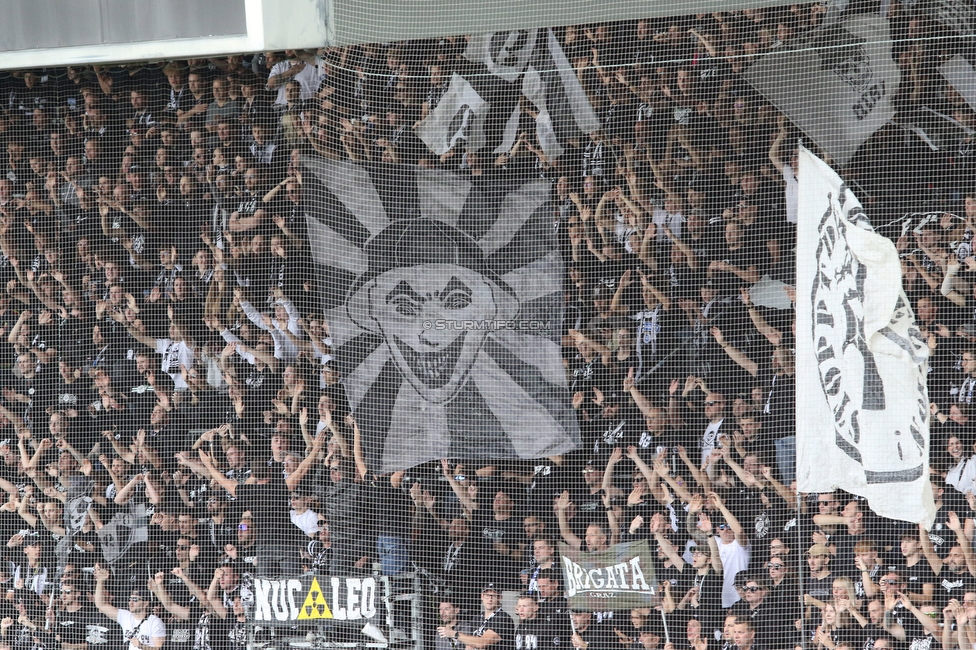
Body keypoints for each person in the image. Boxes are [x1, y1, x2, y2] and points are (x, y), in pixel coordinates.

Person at [93, 565, 166, 650]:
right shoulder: (126, 616)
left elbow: (159, 648)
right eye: (130, 599)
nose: (131, 602)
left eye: (135, 599)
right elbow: (101, 605)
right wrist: (100, 582)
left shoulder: (154, 621)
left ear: (146, 603)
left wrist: (141, 646)